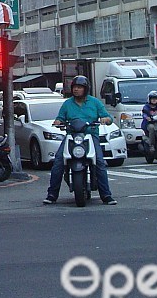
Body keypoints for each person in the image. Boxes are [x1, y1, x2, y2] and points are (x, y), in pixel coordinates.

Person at [44, 75, 117, 205]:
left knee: (100, 162)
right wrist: (58, 122)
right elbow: (60, 117)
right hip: (71, 136)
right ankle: (52, 195)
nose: (76, 90)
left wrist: (105, 119)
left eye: (79, 87)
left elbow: (108, 117)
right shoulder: (67, 104)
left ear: (86, 88)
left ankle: (106, 195)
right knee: (58, 162)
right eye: (74, 87)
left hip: (90, 136)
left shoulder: (94, 102)